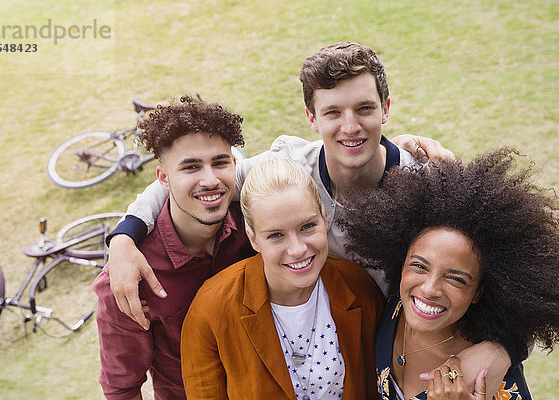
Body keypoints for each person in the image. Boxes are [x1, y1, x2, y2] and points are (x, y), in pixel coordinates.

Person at [106, 42, 512, 392]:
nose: (350, 127)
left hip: (406, 351)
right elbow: (193, 179)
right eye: (332, 112)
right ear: (311, 118)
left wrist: (505, 348)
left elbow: (494, 277)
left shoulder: (425, 185)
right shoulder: (287, 166)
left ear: (386, 109)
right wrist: (124, 237)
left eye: (364, 108)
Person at [340, 148, 559, 399]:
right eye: (420, 266)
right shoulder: (393, 306)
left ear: (479, 291)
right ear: (400, 260)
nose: (429, 289)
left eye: (456, 279)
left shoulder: (489, 382)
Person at [92, 96, 256, 400]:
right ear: (164, 179)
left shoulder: (258, 226)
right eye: (191, 167)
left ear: (235, 165)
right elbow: (122, 388)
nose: (210, 180)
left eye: (219, 163)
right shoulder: (128, 278)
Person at [181, 158, 384, 399]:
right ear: (253, 238)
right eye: (276, 235)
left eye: (307, 226)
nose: (297, 249)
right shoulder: (211, 308)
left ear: (325, 218)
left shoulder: (359, 288)